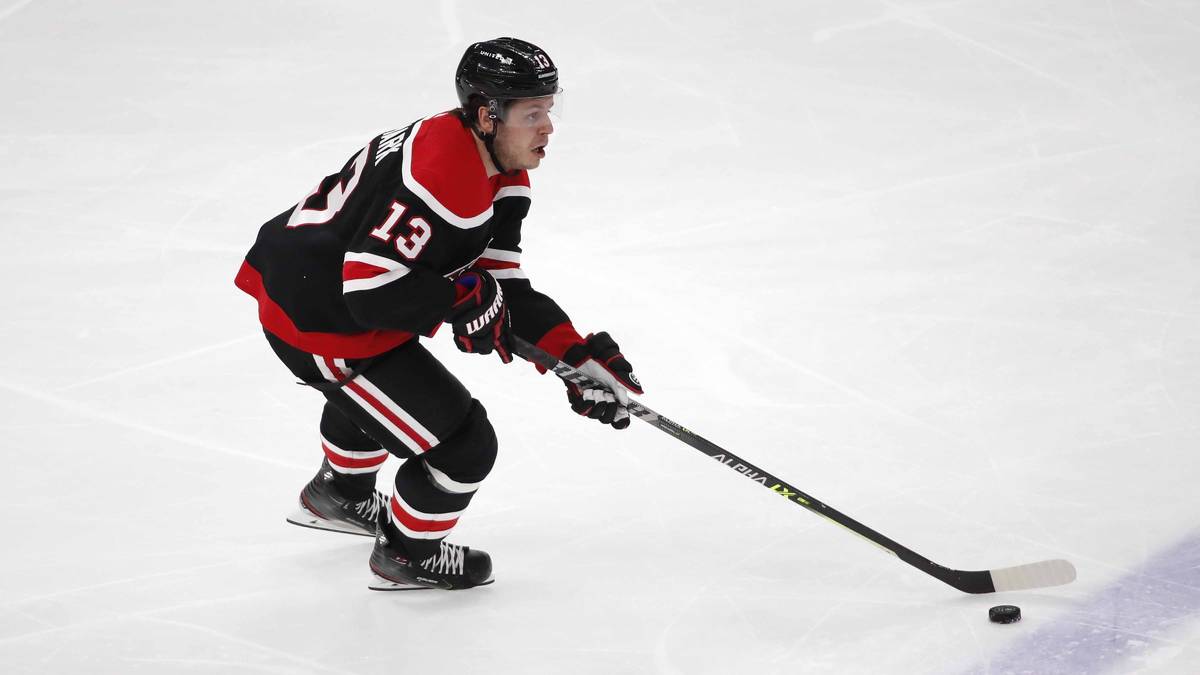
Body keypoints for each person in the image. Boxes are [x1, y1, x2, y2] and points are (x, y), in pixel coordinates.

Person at [234, 37, 642, 591]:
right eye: (532, 114)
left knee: (385, 394)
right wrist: (460, 302)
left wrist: (572, 354)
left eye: (550, 109)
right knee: (464, 444)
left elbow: (502, 283)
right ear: (485, 114)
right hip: (317, 316)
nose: (548, 127)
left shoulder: (501, 167)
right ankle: (406, 556)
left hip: (329, 288)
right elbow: (371, 291)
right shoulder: (438, 175)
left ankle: (340, 495)